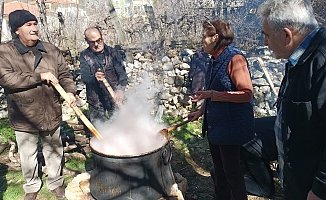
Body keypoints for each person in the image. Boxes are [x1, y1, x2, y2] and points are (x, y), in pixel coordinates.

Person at [0, 10, 77, 200]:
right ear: (17, 30)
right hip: (24, 112)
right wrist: (39, 77)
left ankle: (56, 183)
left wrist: (70, 91)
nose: (34, 28)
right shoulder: (5, 51)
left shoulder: (50, 49)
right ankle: (32, 185)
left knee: (54, 149)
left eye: (35, 24)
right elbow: (6, 78)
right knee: (28, 153)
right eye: (28, 25)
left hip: (50, 109)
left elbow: (65, 74)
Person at [258, 0, 326, 199]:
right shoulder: (299, 56)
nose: (265, 42)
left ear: (287, 35)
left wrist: (321, 189)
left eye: (267, 35)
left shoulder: (321, 62)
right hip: (298, 183)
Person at [188, 19, 255, 200]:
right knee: (219, 169)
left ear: (216, 37)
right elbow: (212, 94)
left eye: (204, 37)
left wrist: (213, 94)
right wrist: (200, 111)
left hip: (231, 127)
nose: (202, 41)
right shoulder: (213, 61)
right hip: (216, 126)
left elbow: (247, 94)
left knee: (232, 172)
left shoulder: (236, 59)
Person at [210, 116, 278, 198]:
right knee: (266, 190)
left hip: (243, 131)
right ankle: (224, 177)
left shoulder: (285, 120)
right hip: (252, 147)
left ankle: (221, 172)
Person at [79, 27, 128, 124]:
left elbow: (122, 74)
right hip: (95, 99)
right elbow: (85, 77)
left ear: (102, 37)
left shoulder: (112, 53)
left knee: (119, 125)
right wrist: (94, 78)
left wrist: (120, 89)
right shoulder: (84, 55)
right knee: (99, 127)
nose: (96, 44)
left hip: (114, 96)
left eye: (99, 40)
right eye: (92, 42)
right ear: (87, 41)